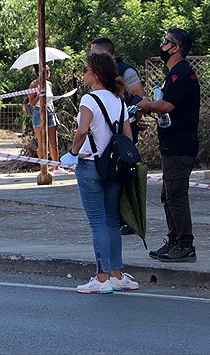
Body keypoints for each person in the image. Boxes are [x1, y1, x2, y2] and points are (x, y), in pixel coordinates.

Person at [61, 53, 140, 294]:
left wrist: (73, 153)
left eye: (86, 69)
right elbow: (127, 138)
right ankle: (117, 274)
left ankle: (101, 277)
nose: (83, 73)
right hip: (114, 169)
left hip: (90, 166)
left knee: (97, 225)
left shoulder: (89, 100)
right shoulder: (119, 101)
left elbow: (82, 131)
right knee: (111, 223)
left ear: (96, 74)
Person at [136, 28, 200, 262]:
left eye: (166, 41)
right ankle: (173, 241)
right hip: (172, 143)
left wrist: (146, 104)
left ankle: (185, 245)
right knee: (169, 195)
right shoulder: (174, 74)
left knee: (176, 195)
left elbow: (167, 106)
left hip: (179, 146)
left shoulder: (180, 73)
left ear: (176, 48)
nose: (162, 45)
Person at [90, 37, 148, 235]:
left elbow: (140, 96)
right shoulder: (97, 77)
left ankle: (129, 219)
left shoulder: (126, 71)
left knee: (122, 173)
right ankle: (114, 217)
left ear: (106, 54)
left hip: (123, 134)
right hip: (103, 134)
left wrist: (135, 117)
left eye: (94, 54)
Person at [27, 64, 67, 175]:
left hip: (49, 111)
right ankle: (43, 168)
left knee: (54, 142)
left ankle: (56, 167)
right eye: (46, 71)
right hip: (39, 111)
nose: (49, 73)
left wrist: (54, 115)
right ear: (40, 72)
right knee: (42, 142)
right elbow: (31, 102)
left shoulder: (49, 84)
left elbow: (51, 102)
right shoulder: (33, 85)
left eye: (49, 70)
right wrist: (39, 94)